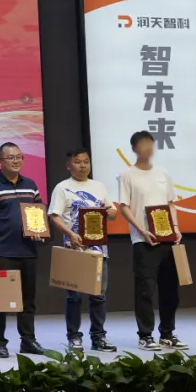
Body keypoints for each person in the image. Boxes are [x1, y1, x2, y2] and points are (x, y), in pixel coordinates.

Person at [118, 130, 187, 352]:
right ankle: (145, 336)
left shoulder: (163, 173)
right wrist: (141, 230)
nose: (147, 148)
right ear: (134, 148)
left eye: (150, 143)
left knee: (170, 289)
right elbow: (124, 207)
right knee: (145, 290)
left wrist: (175, 228)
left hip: (167, 239)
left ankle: (167, 333)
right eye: (142, 144)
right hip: (143, 240)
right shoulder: (127, 174)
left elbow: (170, 203)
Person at [47, 148, 118, 353]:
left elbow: (112, 212)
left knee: (99, 296)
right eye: (78, 162)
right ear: (68, 165)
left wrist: (110, 211)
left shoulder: (99, 186)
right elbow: (54, 216)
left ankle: (98, 337)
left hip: (99, 250)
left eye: (86, 161)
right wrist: (70, 234)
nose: (83, 165)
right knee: (74, 297)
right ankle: (74, 337)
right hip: (74, 249)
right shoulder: (62, 188)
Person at [0, 141, 46, 358]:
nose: (16, 161)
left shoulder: (31, 184)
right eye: (11, 157)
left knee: (28, 300)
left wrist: (39, 230)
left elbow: (37, 213)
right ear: (0, 161)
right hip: (3, 251)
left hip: (28, 251)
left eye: (19, 157)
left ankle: (28, 340)